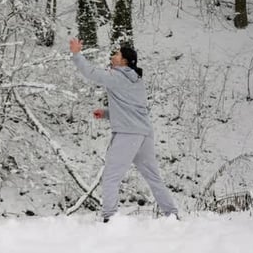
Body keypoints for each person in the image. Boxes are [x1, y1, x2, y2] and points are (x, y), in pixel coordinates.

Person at [69, 38, 178, 222]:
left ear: (125, 61)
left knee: (111, 175)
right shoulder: (137, 81)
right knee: (153, 177)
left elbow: (91, 72)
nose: (114, 55)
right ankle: (172, 214)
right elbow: (132, 110)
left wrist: (76, 54)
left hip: (128, 135)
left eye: (117, 54)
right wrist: (105, 113)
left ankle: (109, 217)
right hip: (144, 133)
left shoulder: (118, 76)